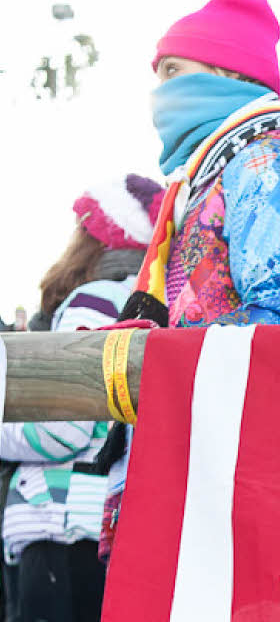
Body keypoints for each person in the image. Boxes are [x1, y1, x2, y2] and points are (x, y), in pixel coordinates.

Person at [120, 0, 280, 327]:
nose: (161, 92)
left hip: (235, 380)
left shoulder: (268, 166)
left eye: (173, 71)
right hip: (198, 379)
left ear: (231, 71)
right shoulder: (207, 179)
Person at [1, 175, 163, 622]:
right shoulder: (142, 299)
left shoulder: (95, 299)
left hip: (62, 521)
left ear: (96, 237)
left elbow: (65, 423)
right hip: (101, 523)